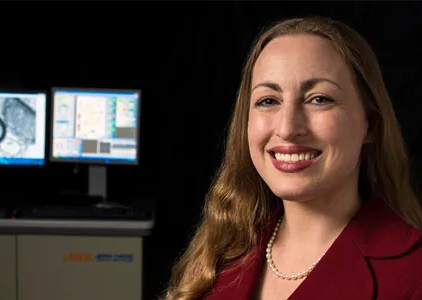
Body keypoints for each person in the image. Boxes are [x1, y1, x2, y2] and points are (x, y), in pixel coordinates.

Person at [164, 16, 422, 300]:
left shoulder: (414, 275)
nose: (287, 128)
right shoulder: (219, 254)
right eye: (268, 101)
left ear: (370, 125)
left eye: (319, 99)